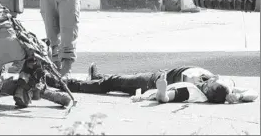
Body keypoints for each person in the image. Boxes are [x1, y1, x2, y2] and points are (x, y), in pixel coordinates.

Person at [51, 63, 259, 104]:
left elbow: (166, 97)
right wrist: (238, 96)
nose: (206, 84)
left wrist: (160, 90)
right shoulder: (225, 86)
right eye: (211, 83)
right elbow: (254, 93)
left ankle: (69, 84)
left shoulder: (192, 93)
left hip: (154, 82)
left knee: (114, 83)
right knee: (115, 82)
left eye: (208, 89)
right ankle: (96, 79)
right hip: (160, 74)